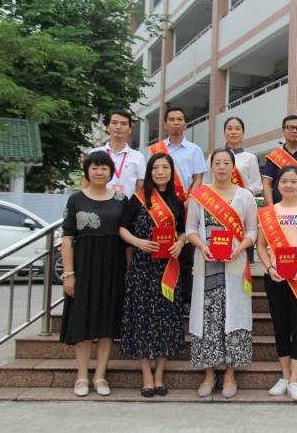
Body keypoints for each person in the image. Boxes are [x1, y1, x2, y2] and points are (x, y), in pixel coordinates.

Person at [186, 148, 258, 399]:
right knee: (207, 318)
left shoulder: (245, 196)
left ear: (233, 167)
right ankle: (209, 374)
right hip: (207, 265)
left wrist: (240, 247)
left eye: (226, 163)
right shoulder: (200, 195)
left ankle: (229, 374)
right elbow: (190, 228)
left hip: (235, 265)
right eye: (217, 163)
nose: (221, 167)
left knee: (233, 316)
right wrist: (202, 246)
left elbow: (252, 230)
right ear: (211, 167)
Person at [59, 151, 129, 397]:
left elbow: (127, 240)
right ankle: (81, 376)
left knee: (107, 321)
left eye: (104, 168)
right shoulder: (76, 200)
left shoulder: (121, 199)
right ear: (87, 172)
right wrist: (69, 274)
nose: (99, 172)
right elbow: (67, 239)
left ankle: (100, 376)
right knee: (84, 319)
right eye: (94, 168)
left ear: (111, 172)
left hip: (112, 266)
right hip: (84, 266)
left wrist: (128, 270)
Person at [119, 153, 187, 398]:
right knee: (143, 320)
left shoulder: (177, 202)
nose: (160, 172)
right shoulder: (138, 199)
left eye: (165, 167)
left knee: (165, 321)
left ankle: (159, 375)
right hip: (141, 268)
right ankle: (146, 376)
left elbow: (183, 231)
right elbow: (122, 228)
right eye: (155, 167)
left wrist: (180, 243)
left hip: (168, 269)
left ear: (171, 172)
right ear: (149, 172)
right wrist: (137, 242)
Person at [256, 165, 297, 401]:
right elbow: (261, 246)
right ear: (277, 185)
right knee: (280, 327)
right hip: (276, 277)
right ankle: (284, 377)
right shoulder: (268, 212)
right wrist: (269, 267)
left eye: (293, 181)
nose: (288, 185)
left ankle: (295, 380)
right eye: (284, 181)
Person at [149, 107, 208, 314]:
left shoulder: (194, 150)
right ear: (165, 124)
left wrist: (189, 201)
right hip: (159, 206)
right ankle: (160, 295)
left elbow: (198, 178)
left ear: (185, 124)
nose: (176, 122)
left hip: (185, 205)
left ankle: (185, 298)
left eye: (180, 119)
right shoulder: (155, 150)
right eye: (172, 119)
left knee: (185, 254)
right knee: (162, 248)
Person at [204, 117, 262, 262]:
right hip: (216, 207)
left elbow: (257, 186)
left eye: (237, 129)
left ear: (243, 133)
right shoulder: (213, 157)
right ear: (224, 132)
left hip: (240, 207)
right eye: (229, 128)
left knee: (240, 244)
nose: (233, 132)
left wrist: (243, 194)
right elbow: (206, 184)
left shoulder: (250, 158)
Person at [81, 110, 146, 198]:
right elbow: (85, 184)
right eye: (114, 123)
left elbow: (140, 190)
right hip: (98, 204)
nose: (118, 127)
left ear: (130, 129)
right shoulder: (95, 153)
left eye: (123, 124)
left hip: (127, 205)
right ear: (108, 127)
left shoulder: (138, 157)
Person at [262, 115, 297, 207]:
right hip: (278, 208)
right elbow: (266, 183)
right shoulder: (274, 156)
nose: (294, 131)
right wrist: (271, 207)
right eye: (290, 127)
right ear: (283, 131)